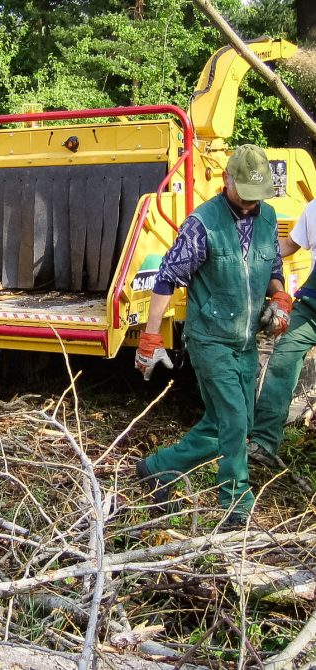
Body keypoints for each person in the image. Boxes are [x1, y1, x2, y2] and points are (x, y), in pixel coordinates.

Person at [134, 144, 291, 528]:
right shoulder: (202, 223)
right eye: (246, 195)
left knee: (229, 423)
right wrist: (150, 336)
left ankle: (159, 467)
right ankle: (235, 507)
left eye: (259, 196)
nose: (253, 204)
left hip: (246, 341)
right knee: (235, 421)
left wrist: (281, 297)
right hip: (210, 340)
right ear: (227, 180)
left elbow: (272, 264)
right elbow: (168, 277)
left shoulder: (268, 218)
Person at [249, 196, 316, 462]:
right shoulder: (314, 208)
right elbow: (290, 244)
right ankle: (264, 443)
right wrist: (256, 249)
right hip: (312, 306)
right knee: (282, 362)